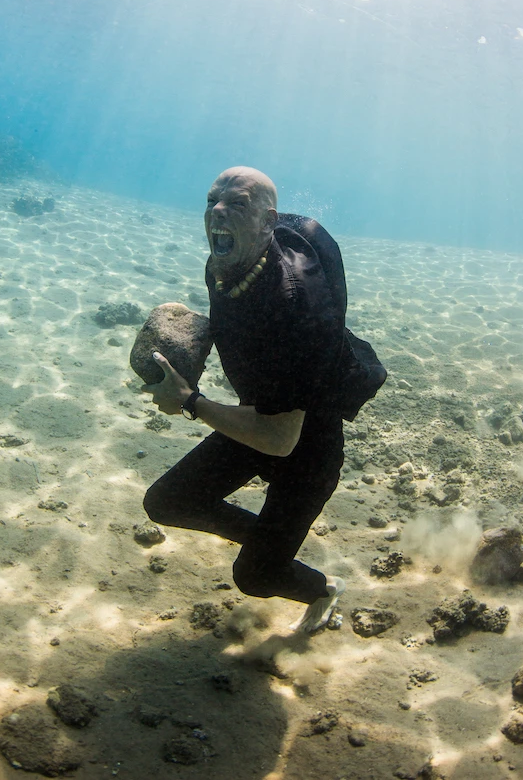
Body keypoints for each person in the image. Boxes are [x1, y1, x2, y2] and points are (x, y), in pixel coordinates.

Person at [143, 166, 376, 632]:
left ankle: (322, 589)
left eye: (238, 205)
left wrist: (190, 400)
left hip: (306, 446)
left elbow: (280, 439)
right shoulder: (229, 255)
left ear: (269, 222)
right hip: (260, 411)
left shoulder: (294, 309)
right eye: (211, 202)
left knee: (256, 575)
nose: (218, 213)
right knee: (167, 503)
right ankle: (270, 543)